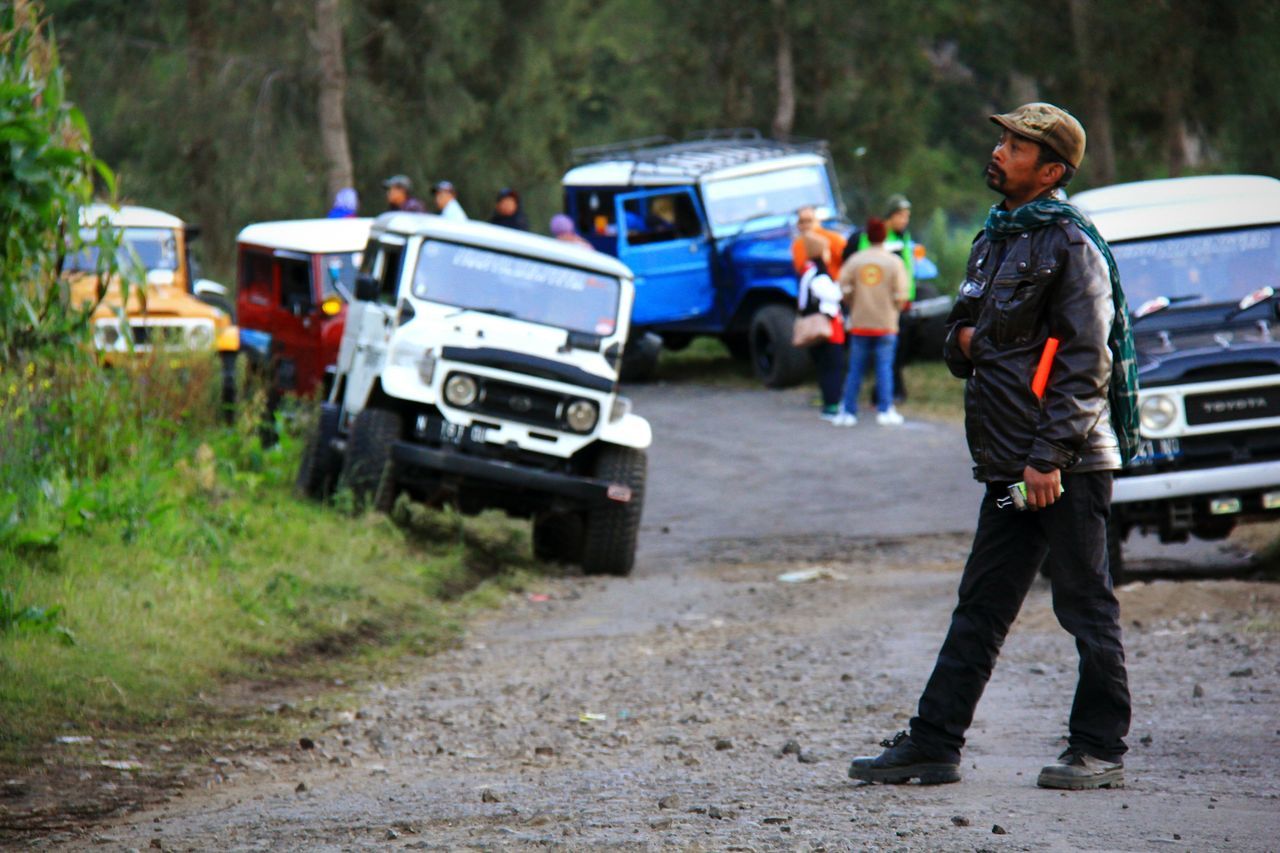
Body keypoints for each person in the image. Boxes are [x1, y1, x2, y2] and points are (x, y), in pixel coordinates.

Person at [848, 102, 1137, 791]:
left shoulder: (1071, 243)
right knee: (981, 603)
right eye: (1003, 139)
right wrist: (979, 342)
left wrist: (1049, 457)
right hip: (1010, 465)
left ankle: (1099, 747)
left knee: (1083, 601)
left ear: (1051, 170)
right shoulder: (996, 237)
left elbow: (1084, 360)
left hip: (1065, 465)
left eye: (1016, 145)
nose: (1001, 151)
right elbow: (956, 336)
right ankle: (933, 743)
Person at [833, 218, 909, 426]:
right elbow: (901, 293)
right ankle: (885, 410)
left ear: (867, 236)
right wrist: (895, 309)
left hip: (860, 323)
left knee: (855, 368)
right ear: (884, 236)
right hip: (886, 323)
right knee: (884, 367)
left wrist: (852, 302)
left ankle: (848, 411)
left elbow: (843, 285)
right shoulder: (894, 262)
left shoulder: (856, 260)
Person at [844, 194, 916, 402]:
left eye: (907, 216)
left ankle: (890, 392)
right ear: (890, 216)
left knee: (896, 350)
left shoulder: (903, 236)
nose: (905, 220)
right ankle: (880, 397)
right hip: (876, 304)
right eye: (901, 215)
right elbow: (865, 270)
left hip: (899, 302)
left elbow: (907, 269)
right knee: (874, 354)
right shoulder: (872, 238)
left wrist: (907, 296)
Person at [796, 232, 846, 420]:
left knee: (824, 367)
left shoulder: (806, 273)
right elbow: (835, 295)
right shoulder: (819, 276)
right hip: (828, 327)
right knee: (833, 366)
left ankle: (829, 402)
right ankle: (832, 405)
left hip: (815, 327)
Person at [791, 205, 846, 280]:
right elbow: (801, 269)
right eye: (801, 222)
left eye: (809, 221)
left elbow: (845, 260)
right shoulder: (798, 244)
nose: (805, 225)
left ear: (818, 221)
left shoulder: (834, 238)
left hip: (836, 282)